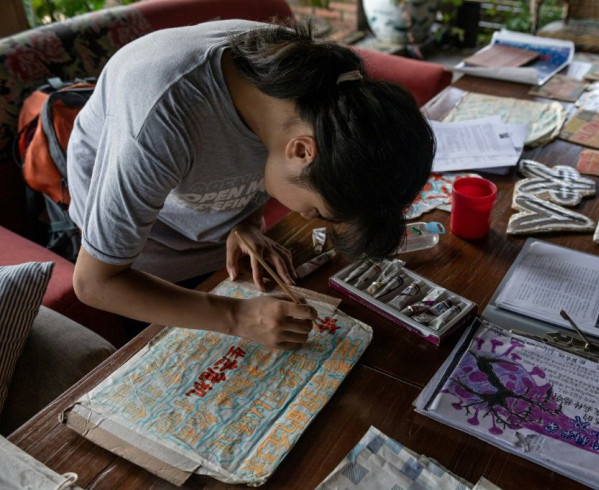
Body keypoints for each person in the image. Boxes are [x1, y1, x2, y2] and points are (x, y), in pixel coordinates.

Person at [67, 19, 435, 350]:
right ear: (303, 151)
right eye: (317, 211)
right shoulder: (164, 115)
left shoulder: (323, 97)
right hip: (138, 258)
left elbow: (254, 160)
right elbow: (96, 284)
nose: (306, 217)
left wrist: (247, 220)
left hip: (208, 233)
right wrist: (238, 318)